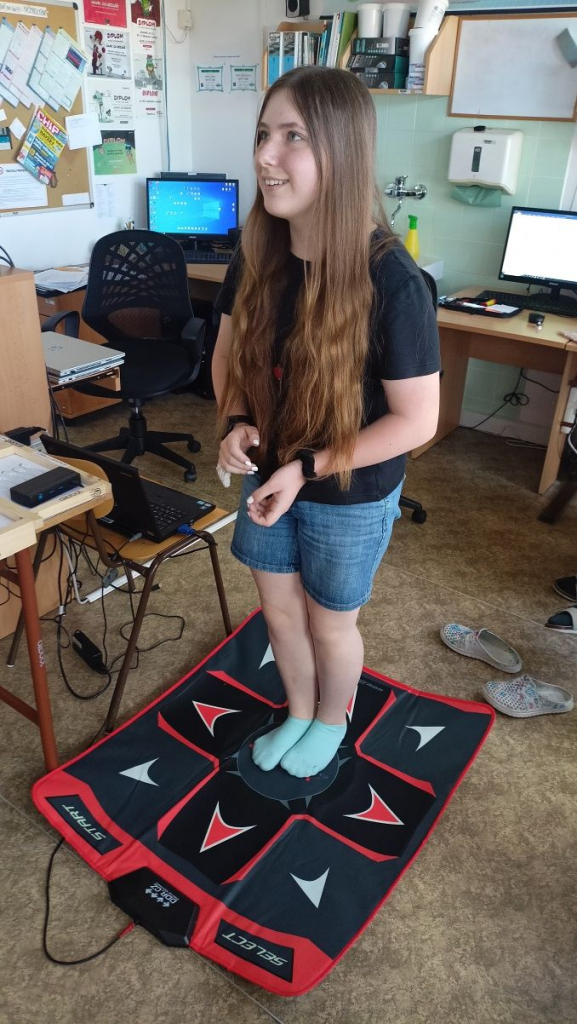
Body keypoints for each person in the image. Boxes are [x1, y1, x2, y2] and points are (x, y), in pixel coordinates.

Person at [212, 66, 440, 779]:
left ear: (340, 151)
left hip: (347, 492)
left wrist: (305, 467)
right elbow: (229, 358)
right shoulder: (257, 255)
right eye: (263, 134)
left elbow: (417, 421)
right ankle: (299, 710)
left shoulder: (393, 280)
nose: (264, 156)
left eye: (292, 137)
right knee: (279, 613)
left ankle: (331, 722)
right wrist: (236, 420)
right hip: (269, 477)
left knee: (329, 622)